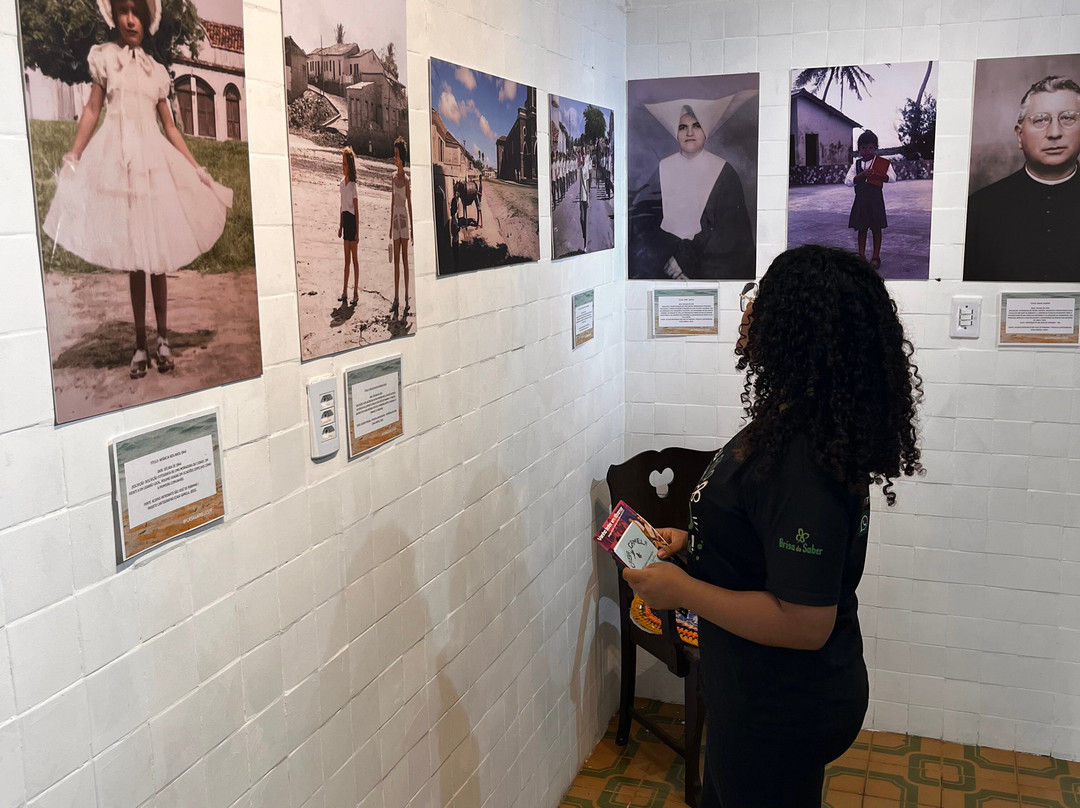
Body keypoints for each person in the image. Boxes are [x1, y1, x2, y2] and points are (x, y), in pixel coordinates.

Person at [623, 245, 923, 808]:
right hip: (751, 690)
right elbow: (762, 536)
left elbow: (806, 622)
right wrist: (695, 544)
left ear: (797, 327)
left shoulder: (805, 461)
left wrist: (682, 590)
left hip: (783, 705)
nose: (748, 310)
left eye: (761, 298)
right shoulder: (793, 420)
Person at [43, 0, 232, 379]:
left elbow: (171, 128)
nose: (131, 19)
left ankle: (163, 338)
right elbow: (93, 111)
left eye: (138, 13)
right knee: (135, 258)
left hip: (152, 165)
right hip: (118, 165)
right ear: (113, 14)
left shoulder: (155, 71)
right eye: (124, 10)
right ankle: (140, 345)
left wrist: (195, 166)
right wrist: (75, 153)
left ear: (147, 21)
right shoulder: (105, 59)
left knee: (156, 256)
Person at [964, 75, 1080, 282]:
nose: (1054, 133)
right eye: (1041, 120)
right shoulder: (979, 208)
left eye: (1068, 118)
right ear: (1020, 135)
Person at [629, 94, 757, 280]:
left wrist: (685, 262)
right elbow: (645, 221)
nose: (689, 133)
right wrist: (670, 260)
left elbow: (729, 234)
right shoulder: (663, 167)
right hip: (665, 265)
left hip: (707, 267)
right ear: (676, 132)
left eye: (696, 126)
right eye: (683, 127)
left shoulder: (724, 171)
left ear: (707, 131)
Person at [844, 130, 895, 270]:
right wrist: (861, 175)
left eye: (871, 148)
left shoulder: (882, 163)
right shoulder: (856, 165)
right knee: (862, 229)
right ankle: (861, 255)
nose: (867, 151)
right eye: (864, 148)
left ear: (876, 149)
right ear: (859, 149)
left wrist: (879, 175)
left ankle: (876, 256)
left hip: (876, 202)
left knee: (876, 229)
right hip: (861, 201)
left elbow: (892, 178)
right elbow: (848, 181)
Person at [389, 138, 413, 318]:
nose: (394, 158)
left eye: (396, 155)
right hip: (396, 221)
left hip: (404, 221)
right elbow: (392, 203)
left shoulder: (406, 180)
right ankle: (396, 298)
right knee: (395, 261)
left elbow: (409, 204)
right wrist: (390, 225)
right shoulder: (392, 178)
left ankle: (406, 298)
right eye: (394, 155)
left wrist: (412, 228)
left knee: (405, 261)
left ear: (402, 157)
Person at [338, 146, 359, 306]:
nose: (343, 167)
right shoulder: (341, 184)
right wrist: (340, 226)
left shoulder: (353, 186)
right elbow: (341, 206)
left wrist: (357, 232)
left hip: (352, 223)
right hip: (345, 222)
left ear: (350, 166)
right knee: (346, 261)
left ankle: (355, 292)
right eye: (342, 164)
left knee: (354, 259)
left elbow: (356, 211)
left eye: (345, 164)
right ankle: (344, 291)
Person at [579, 151, 591, 251]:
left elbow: (587, 184)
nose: (582, 158)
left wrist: (588, 199)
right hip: (581, 198)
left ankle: (585, 245)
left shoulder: (586, 168)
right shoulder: (580, 169)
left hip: (585, 198)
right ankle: (584, 238)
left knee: (585, 220)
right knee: (581, 219)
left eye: (583, 156)